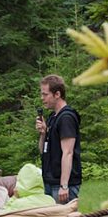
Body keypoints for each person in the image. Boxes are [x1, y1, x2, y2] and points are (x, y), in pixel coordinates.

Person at [35, 74, 81, 203]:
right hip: (50, 181)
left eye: (45, 94)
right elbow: (42, 151)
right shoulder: (52, 117)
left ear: (57, 94)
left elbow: (68, 152)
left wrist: (64, 185)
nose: (42, 98)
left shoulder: (66, 117)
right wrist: (43, 133)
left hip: (63, 185)